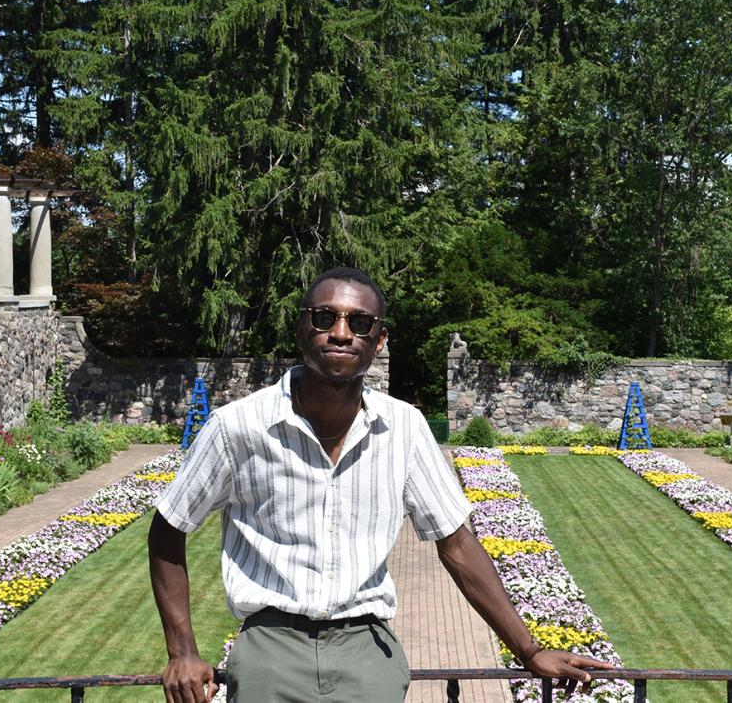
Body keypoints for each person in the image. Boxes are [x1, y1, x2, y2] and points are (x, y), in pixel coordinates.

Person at [149, 266, 612, 702]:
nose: (342, 332)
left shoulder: (404, 428)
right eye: (325, 317)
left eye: (361, 322)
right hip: (270, 649)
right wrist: (182, 650)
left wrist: (528, 650)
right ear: (300, 326)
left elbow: (456, 543)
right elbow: (170, 525)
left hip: (367, 650)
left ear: (379, 339)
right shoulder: (238, 427)